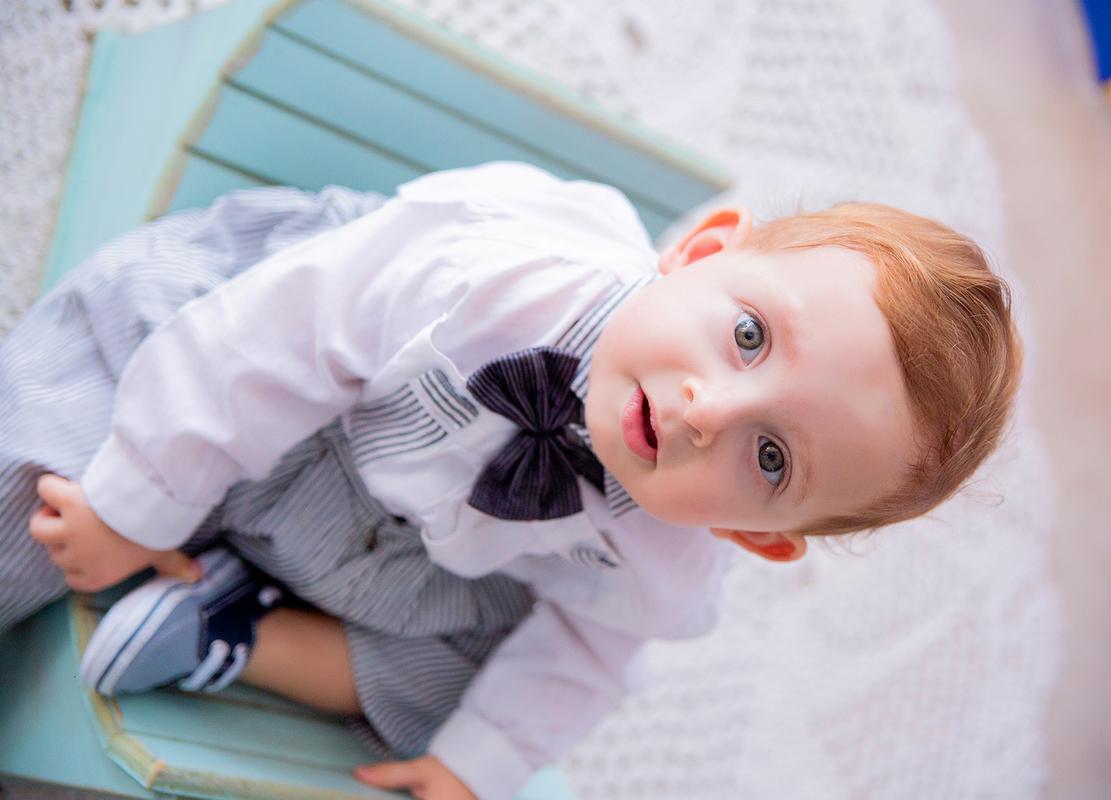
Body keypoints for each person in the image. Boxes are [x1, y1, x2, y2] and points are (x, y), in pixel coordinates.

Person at [3, 162, 1020, 800]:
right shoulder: (494, 274)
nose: (710, 407)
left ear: (758, 536)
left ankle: (234, 626)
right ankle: (158, 530)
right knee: (49, 476)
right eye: (748, 335)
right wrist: (136, 500)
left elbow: (592, 647)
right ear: (699, 252)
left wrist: (480, 758)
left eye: (771, 458)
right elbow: (263, 336)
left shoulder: (668, 554)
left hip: (398, 550)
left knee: (483, 703)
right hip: (283, 385)